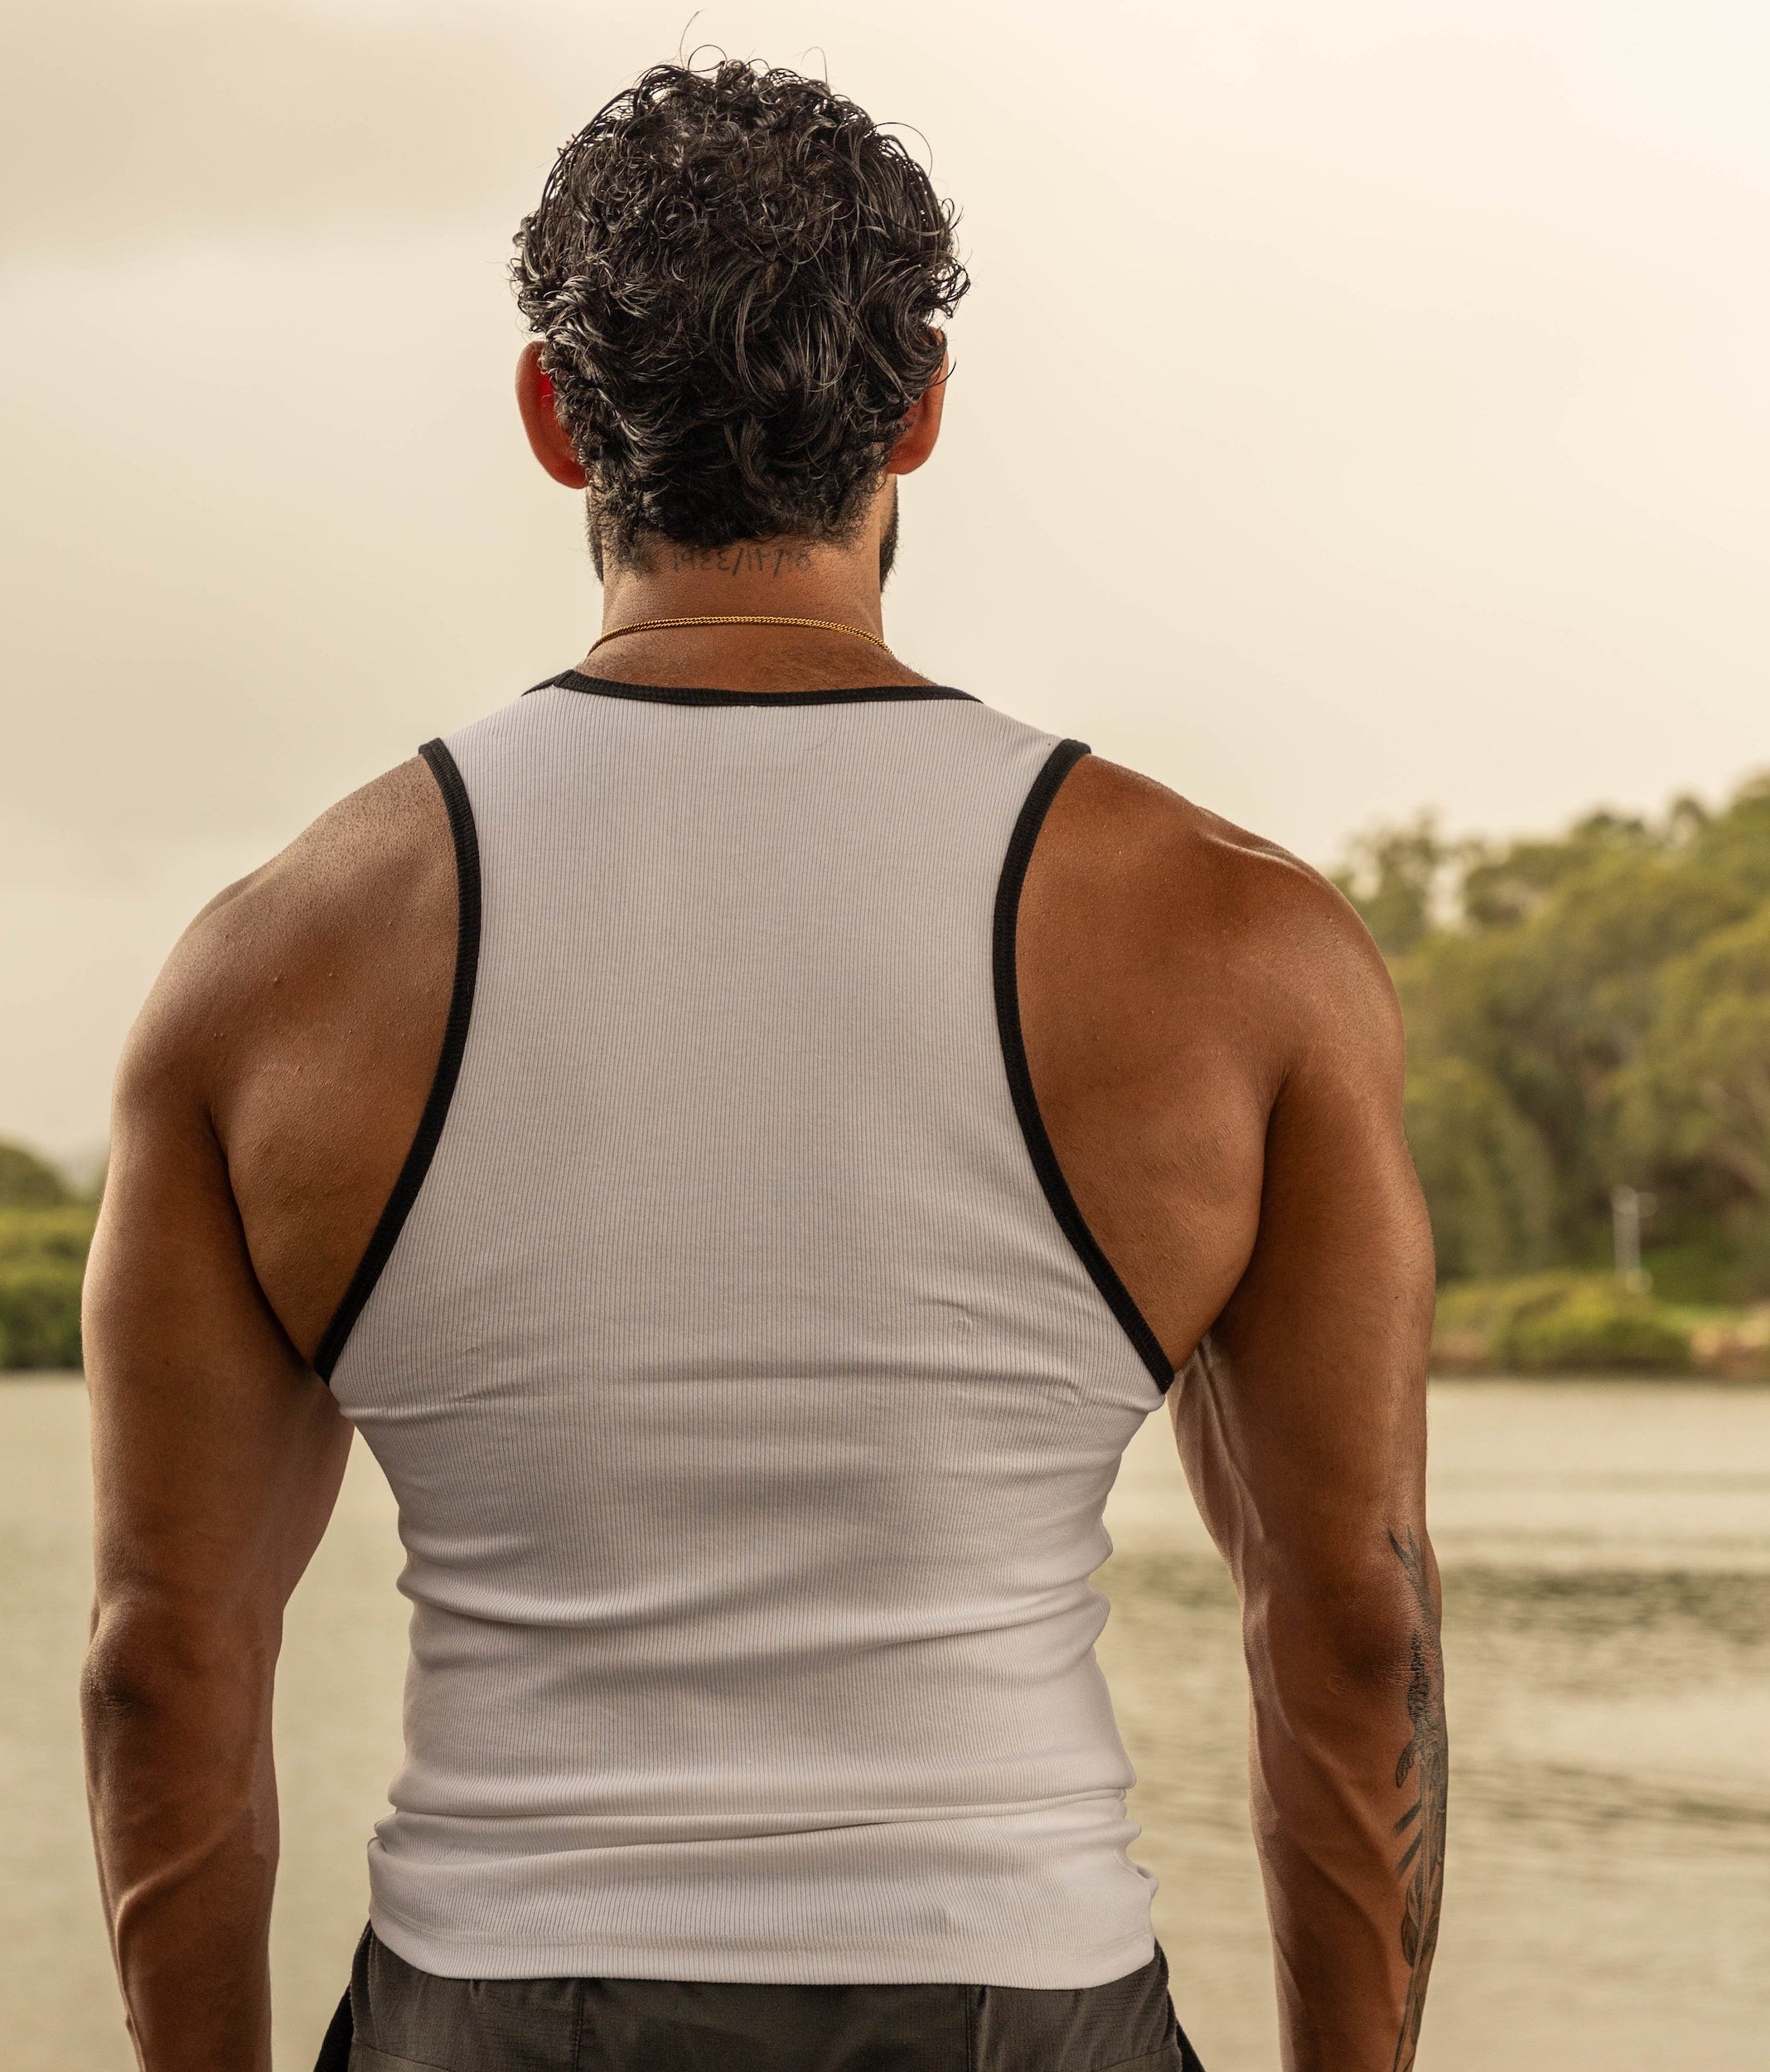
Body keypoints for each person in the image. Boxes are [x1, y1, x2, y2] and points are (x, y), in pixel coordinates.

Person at [80, 59, 1442, 2072]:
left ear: (552, 417)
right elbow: (1351, 1628)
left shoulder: (274, 967)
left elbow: (162, 1665)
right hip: (1017, 1994)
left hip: (491, 2001)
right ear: (917, 413)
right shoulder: (1235, 946)